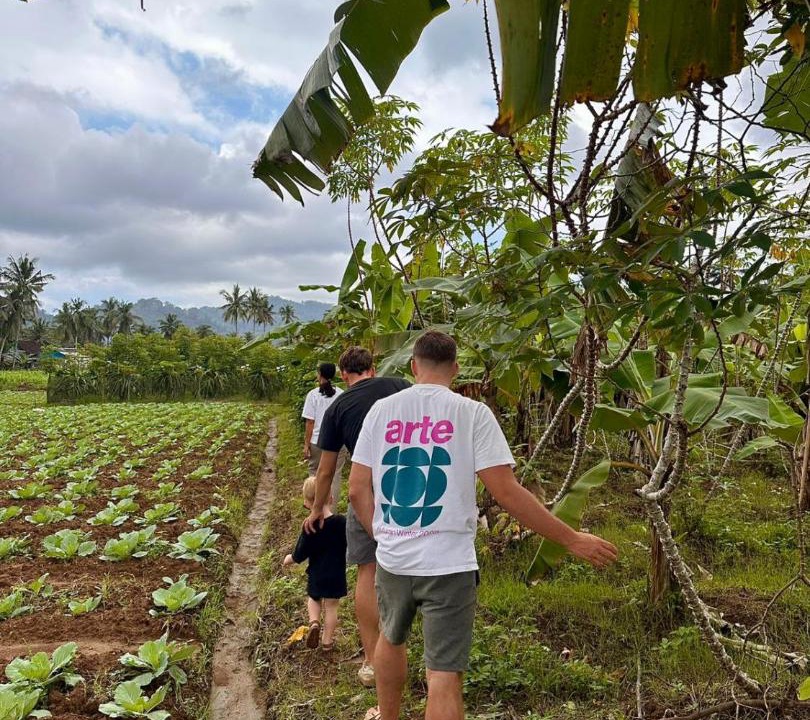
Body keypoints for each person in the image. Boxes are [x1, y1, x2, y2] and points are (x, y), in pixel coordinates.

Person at [349, 330, 619, 720]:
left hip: (393, 558)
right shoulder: (472, 413)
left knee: (390, 638)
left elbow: (358, 490)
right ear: (456, 370)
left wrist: (384, 535)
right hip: (449, 563)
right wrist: (571, 539)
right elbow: (507, 493)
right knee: (443, 673)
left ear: (413, 366)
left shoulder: (382, 411)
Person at [304, 346, 410, 688]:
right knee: (416, 565)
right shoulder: (402, 386)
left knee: (368, 567)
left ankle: (371, 661)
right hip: (413, 486)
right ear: (373, 368)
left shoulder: (338, 407)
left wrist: (319, 507)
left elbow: (326, 470)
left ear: (344, 374)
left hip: (367, 490)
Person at [283, 476, 347, 652]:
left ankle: (314, 622)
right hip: (337, 573)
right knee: (332, 606)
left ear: (308, 502)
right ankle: (327, 642)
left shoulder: (310, 525)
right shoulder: (342, 523)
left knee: (313, 599)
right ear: (331, 498)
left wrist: (290, 559)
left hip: (317, 573)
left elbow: (300, 553)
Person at [302, 362, 347, 505]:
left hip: (317, 441)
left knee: (315, 474)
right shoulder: (341, 394)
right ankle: (330, 512)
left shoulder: (313, 395)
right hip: (338, 442)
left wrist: (306, 444)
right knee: (335, 476)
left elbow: (310, 422)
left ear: (319, 374)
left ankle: (314, 507)